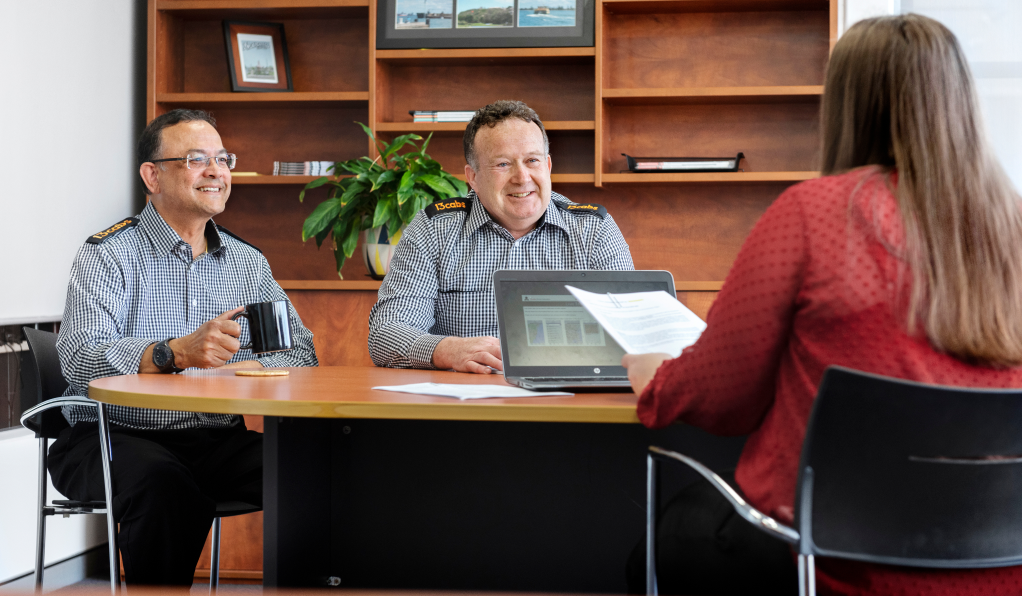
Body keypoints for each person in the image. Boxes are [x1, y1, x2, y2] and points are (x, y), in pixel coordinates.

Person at [622, 14, 1022, 596]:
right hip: (1000, 565)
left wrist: (654, 376)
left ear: (846, 106)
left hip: (830, 565)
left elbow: (721, 401)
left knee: (664, 541)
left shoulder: (813, 214)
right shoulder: (1012, 226)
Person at [49, 109, 319, 587]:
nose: (217, 171)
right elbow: (79, 355)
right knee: (163, 483)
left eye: (223, 158)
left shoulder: (246, 263)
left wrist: (240, 369)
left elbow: (300, 353)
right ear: (152, 175)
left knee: (319, 471)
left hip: (216, 439)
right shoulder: (108, 254)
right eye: (197, 159)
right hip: (113, 437)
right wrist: (171, 353)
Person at [368, 100, 634, 374]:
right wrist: (448, 350)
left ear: (548, 165)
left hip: (567, 402)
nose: (522, 177)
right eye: (503, 164)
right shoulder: (434, 230)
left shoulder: (594, 230)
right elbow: (386, 333)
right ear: (472, 177)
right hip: (462, 404)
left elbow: (634, 333)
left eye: (532, 160)